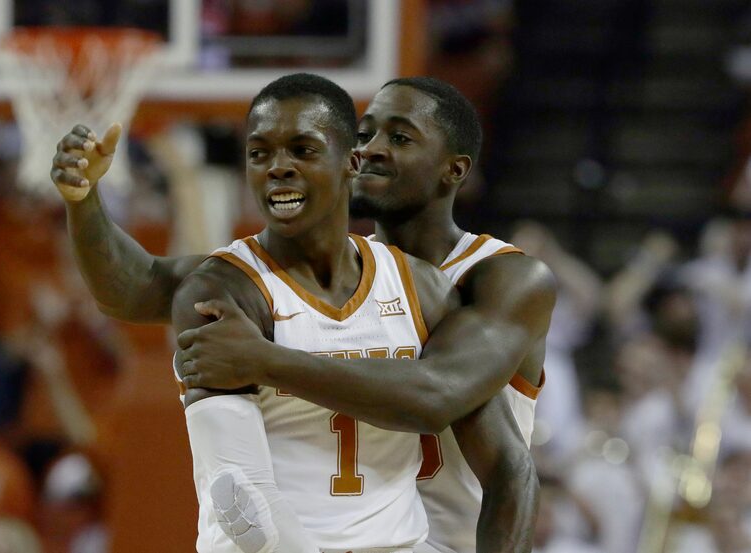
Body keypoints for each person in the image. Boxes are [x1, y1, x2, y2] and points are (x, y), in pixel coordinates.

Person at [51, 75, 553, 552]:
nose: (375, 148)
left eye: (399, 137)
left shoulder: (483, 281)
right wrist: (84, 202)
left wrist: (267, 361)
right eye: (367, 132)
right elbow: (138, 288)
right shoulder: (234, 284)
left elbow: (440, 399)